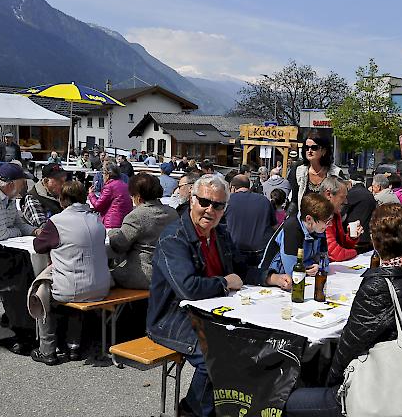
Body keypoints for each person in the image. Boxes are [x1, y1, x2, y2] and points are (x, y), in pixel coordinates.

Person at [284, 204, 402, 416]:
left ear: (375, 241)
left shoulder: (379, 286)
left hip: (383, 393)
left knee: (288, 402)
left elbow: (349, 347)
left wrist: (331, 386)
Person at [147, 174, 278, 417]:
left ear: (224, 208)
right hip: (173, 319)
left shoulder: (221, 234)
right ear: (192, 200)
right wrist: (224, 283)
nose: (210, 210)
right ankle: (192, 411)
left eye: (217, 205)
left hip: (215, 313)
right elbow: (188, 288)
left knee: (256, 344)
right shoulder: (173, 238)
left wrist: (270, 278)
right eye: (204, 202)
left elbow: (239, 269)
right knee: (218, 357)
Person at [30, 181, 111, 365]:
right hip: (101, 286)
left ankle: (47, 350)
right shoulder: (97, 219)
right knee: (76, 293)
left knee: (41, 293)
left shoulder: (57, 222)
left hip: (73, 287)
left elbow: (38, 246)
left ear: (62, 199)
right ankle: (73, 345)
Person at [108, 174, 177, 289]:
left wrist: (112, 233)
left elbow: (119, 245)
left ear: (138, 197)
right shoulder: (172, 213)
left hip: (142, 275)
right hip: (168, 273)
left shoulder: (136, 216)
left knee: (106, 275)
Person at [260, 192, 333, 278]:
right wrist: (311, 267)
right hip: (274, 277)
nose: (330, 224)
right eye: (326, 221)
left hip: (302, 277)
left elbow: (325, 261)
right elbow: (292, 272)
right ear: (309, 219)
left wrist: (319, 267)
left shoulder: (319, 228)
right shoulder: (292, 229)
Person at [226, 174, 276, 271]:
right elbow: (274, 226)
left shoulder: (228, 201)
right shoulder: (264, 200)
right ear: (249, 186)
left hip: (236, 250)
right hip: (260, 250)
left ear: (232, 187)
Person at [292, 133, 343, 210]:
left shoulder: (336, 173)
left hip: (328, 219)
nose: (309, 151)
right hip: (303, 219)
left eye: (314, 148)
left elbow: (341, 200)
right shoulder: (299, 171)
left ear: (324, 151)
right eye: (306, 147)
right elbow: (294, 200)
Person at [321, 176, 360, 262]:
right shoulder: (322, 216)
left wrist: (351, 237)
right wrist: (356, 252)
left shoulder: (335, 215)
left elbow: (342, 245)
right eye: (342, 197)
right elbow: (335, 254)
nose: (345, 201)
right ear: (328, 194)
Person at [88, 163, 133, 229]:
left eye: (103, 173)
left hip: (111, 224)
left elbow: (98, 206)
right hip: (124, 222)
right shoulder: (124, 185)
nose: (102, 176)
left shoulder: (109, 187)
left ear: (108, 175)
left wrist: (91, 194)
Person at [22, 163, 66, 228]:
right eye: (59, 181)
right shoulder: (32, 198)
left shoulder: (62, 194)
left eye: (65, 180)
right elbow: (42, 226)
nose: (64, 184)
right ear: (45, 181)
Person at [343, 174, 376, 253]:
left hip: (354, 235)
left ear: (351, 182)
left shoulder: (351, 193)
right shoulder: (370, 194)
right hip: (367, 236)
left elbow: (342, 213)